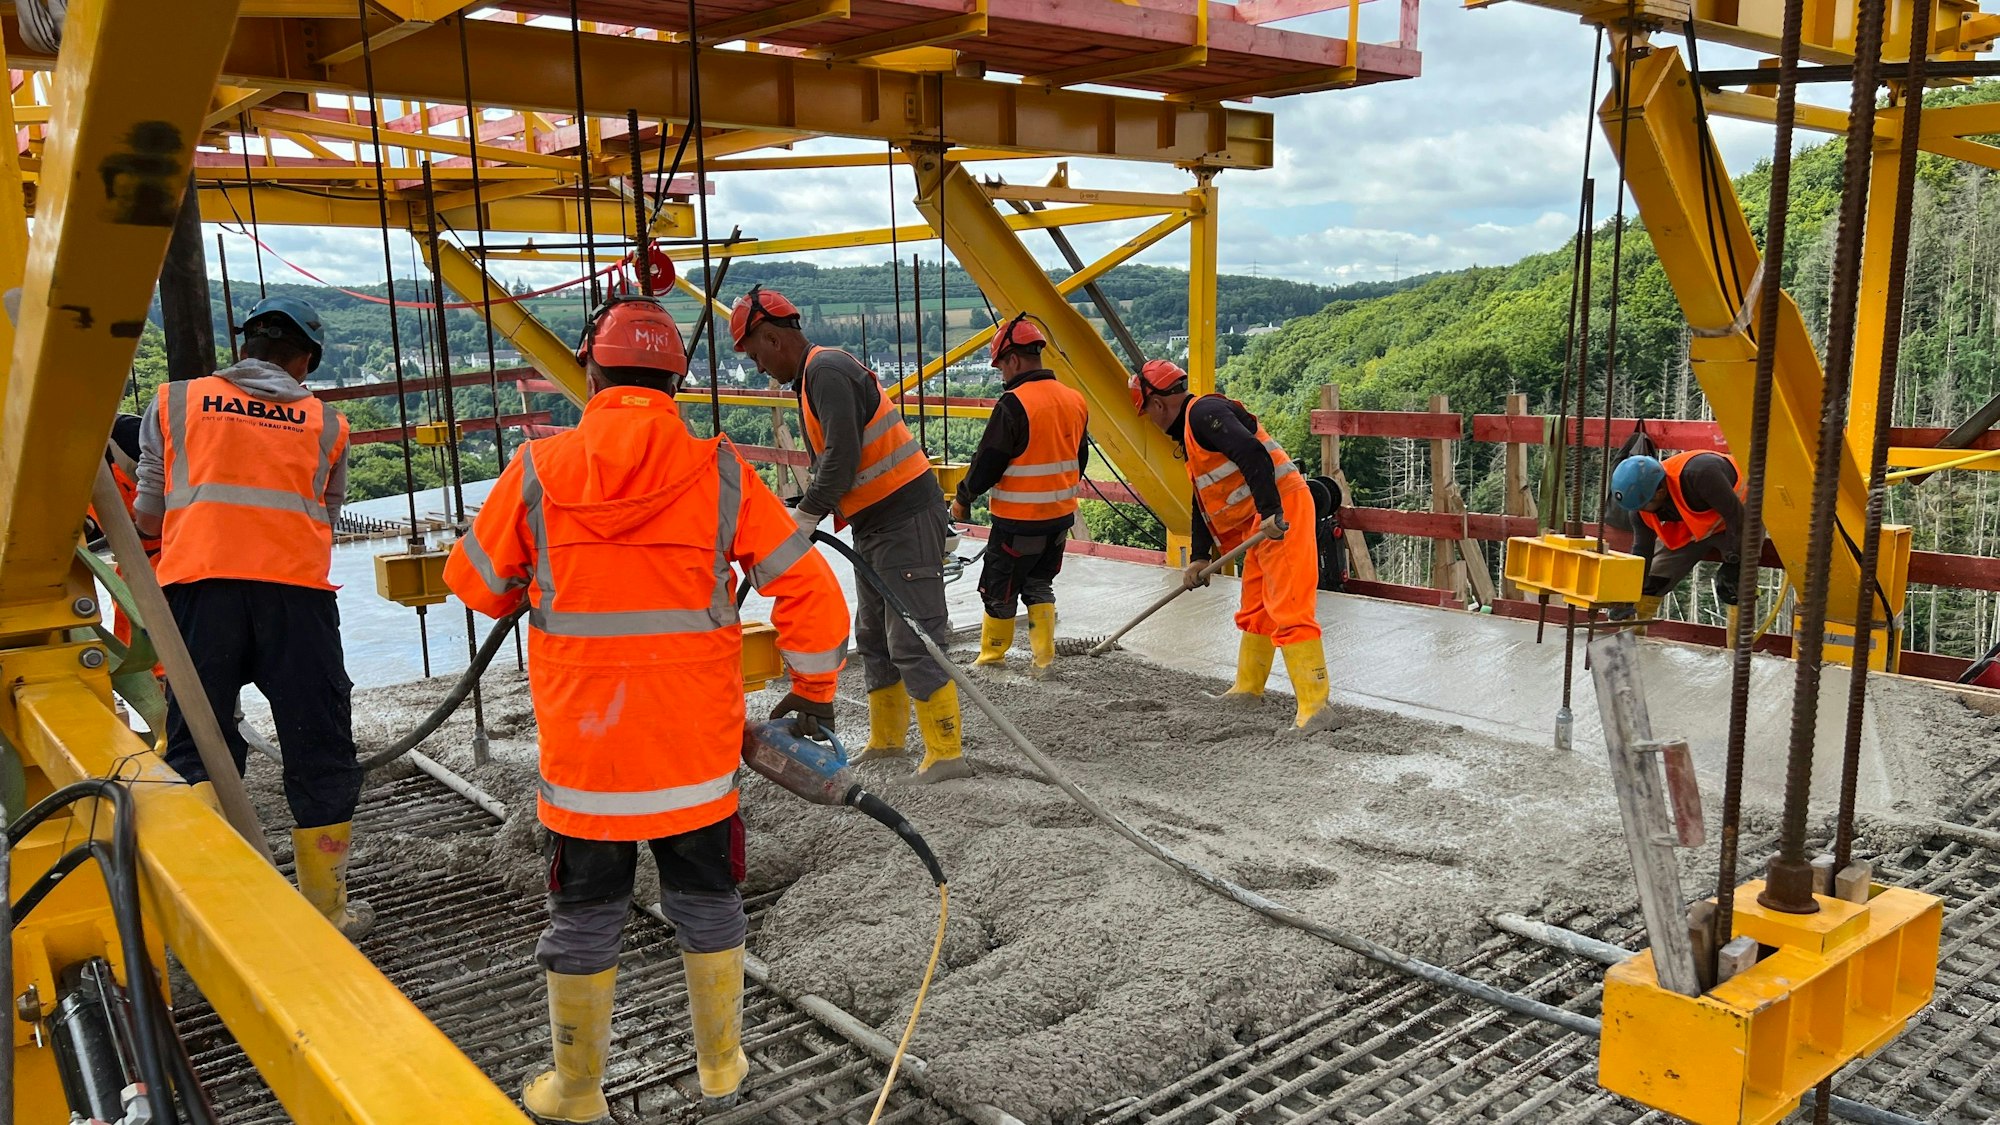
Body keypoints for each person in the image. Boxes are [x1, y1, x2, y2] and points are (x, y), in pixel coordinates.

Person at [445, 295, 850, 1122]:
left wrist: (539, 574)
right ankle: (721, 1066)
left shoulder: (536, 469)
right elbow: (810, 590)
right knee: (707, 901)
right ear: (677, 380)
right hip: (693, 759)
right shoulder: (721, 469)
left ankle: (576, 1091)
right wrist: (812, 692)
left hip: (588, 762)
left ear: (591, 370)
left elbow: (476, 585)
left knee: (585, 913)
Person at [131, 295, 371, 940]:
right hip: (296, 598)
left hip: (198, 592)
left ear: (245, 347)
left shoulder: (175, 401)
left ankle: (221, 910)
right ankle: (327, 910)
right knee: (318, 746)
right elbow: (324, 518)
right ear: (306, 360)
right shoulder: (327, 424)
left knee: (199, 742)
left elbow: (149, 514)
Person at [729, 284, 971, 782]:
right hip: (876, 523)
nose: (758, 367)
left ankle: (946, 753)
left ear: (772, 338)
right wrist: (803, 508)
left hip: (904, 518)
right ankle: (887, 741)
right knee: (875, 637)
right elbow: (834, 463)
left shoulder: (826, 370)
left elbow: (842, 457)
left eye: (755, 355)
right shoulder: (813, 378)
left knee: (914, 638)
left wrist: (808, 513)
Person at [1128, 359, 1333, 731]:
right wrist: (1199, 556)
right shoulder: (1192, 434)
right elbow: (1202, 498)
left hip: (1280, 511)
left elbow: (1252, 452)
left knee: (1289, 606)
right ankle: (1248, 688)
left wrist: (1270, 511)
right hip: (1261, 521)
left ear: (1157, 404)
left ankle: (1315, 707)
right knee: (1256, 608)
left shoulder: (1203, 413)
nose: (1151, 421)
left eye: (1147, 413)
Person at [951, 315, 1089, 673]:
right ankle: (1044, 660)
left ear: (1013, 359)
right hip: (1059, 519)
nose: (1001, 375)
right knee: (1039, 583)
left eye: (1001, 366)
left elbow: (988, 461)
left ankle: (991, 658)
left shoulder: (1014, 404)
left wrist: (963, 498)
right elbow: (1080, 459)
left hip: (1018, 523)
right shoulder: (1074, 400)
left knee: (998, 589)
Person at [1609, 450, 1748, 643]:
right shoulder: (1640, 505)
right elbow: (1642, 551)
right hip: (1695, 526)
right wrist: (1628, 594)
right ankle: (1631, 643)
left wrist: (1734, 562)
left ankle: (1738, 654)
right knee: (1652, 580)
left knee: (1735, 586)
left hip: (1741, 518)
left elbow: (1737, 517)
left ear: (1660, 492)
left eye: (1642, 506)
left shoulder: (1701, 474)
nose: (1639, 511)